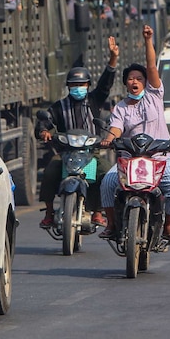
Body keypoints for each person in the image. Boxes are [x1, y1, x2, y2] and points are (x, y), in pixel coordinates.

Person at [98, 25, 170, 241]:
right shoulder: (121, 107)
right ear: (126, 84)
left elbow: (152, 67)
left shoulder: (154, 96)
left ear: (146, 82)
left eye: (139, 78)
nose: (135, 81)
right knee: (107, 184)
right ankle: (111, 224)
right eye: (130, 78)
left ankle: (168, 226)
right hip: (130, 160)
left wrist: (148, 40)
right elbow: (117, 127)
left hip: (160, 159)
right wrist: (109, 138)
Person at [36, 37, 120, 229]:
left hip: (92, 153)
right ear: (68, 87)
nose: (78, 88)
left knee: (106, 175)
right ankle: (49, 212)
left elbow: (106, 84)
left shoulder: (94, 100)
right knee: (50, 173)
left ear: (88, 86)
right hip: (66, 154)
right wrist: (44, 132)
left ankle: (98, 211)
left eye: (81, 85)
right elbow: (45, 120)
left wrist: (113, 58)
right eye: (74, 85)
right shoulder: (59, 106)